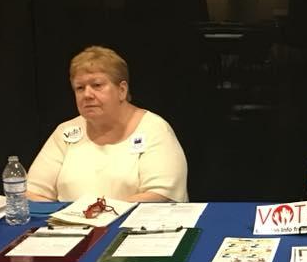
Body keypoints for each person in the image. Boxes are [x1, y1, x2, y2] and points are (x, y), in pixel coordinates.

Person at [27, 46, 188, 202]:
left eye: (97, 85)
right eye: (80, 88)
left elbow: (161, 195)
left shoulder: (155, 129)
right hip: (71, 228)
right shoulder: (66, 132)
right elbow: (33, 193)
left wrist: (97, 214)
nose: (87, 94)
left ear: (122, 90)